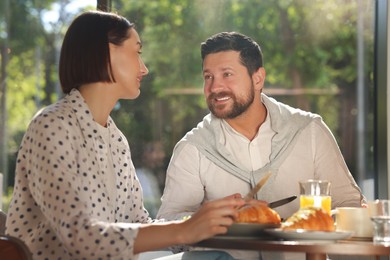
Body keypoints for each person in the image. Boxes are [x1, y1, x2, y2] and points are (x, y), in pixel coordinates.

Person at [5, 12, 245, 260]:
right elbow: (79, 236)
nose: (144, 68)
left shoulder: (115, 138)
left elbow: (138, 223)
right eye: (137, 52)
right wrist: (185, 229)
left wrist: (208, 222)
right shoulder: (51, 125)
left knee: (216, 257)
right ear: (106, 52)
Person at [157, 32, 366, 259]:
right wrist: (205, 219)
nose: (215, 87)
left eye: (227, 74)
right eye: (208, 77)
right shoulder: (193, 148)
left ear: (258, 79)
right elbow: (169, 227)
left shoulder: (309, 131)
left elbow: (351, 207)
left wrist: (314, 224)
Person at [136, 141, 166, 218]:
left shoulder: (151, 175)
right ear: (145, 154)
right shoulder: (140, 177)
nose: (162, 155)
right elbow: (151, 208)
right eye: (157, 151)